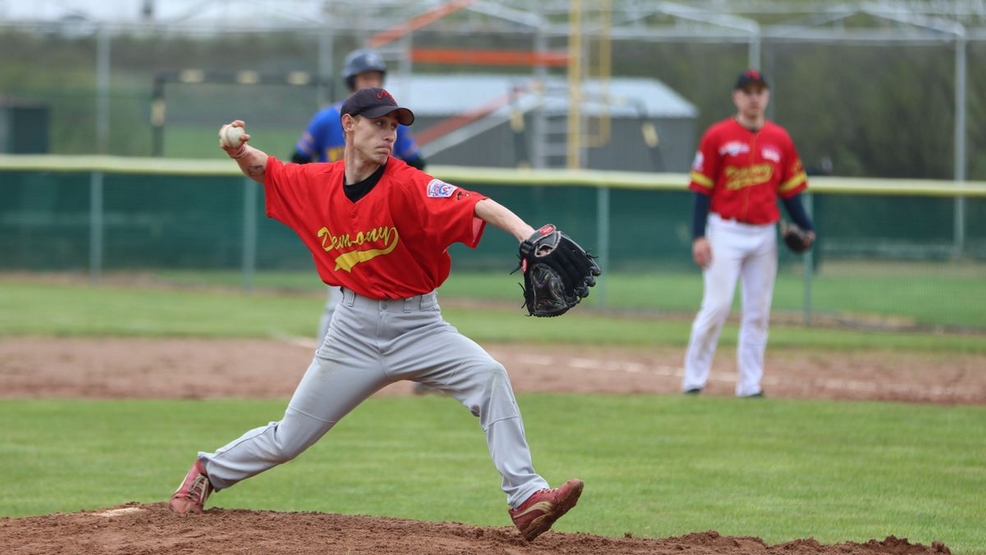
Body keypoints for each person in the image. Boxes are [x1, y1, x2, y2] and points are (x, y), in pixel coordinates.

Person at [169, 87, 583, 543]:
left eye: (394, 126)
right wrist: (238, 151)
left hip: (420, 326)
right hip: (353, 331)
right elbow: (266, 170)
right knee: (289, 437)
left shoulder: (408, 183)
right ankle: (208, 471)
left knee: (489, 376)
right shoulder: (316, 182)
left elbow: (475, 203)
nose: (390, 134)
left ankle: (525, 497)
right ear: (349, 124)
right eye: (379, 123)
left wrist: (528, 235)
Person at [681, 69, 816, 398]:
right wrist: (699, 236)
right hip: (725, 231)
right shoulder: (717, 136)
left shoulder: (780, 139)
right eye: (748, 91)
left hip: (764, 235)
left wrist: (807, 227)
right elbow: (701, 189)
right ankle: (693, 380)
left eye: (760, 91)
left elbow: (790, 192)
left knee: (758, 312)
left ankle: (750, 385)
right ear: (736, 97)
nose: (754, 97)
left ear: (766, 96)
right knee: (717, 307)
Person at [293, 48, 427, 359]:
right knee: (339, 293)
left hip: (384, 217)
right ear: (351, 81)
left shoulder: (392, 122)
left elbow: (418, 164)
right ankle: (327, 361)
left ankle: (424, 362)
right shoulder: (327, 120)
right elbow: (298, 160)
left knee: (413, 293)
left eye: (376, 77)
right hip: (340, 216)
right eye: (365, 77)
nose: (371, 82)